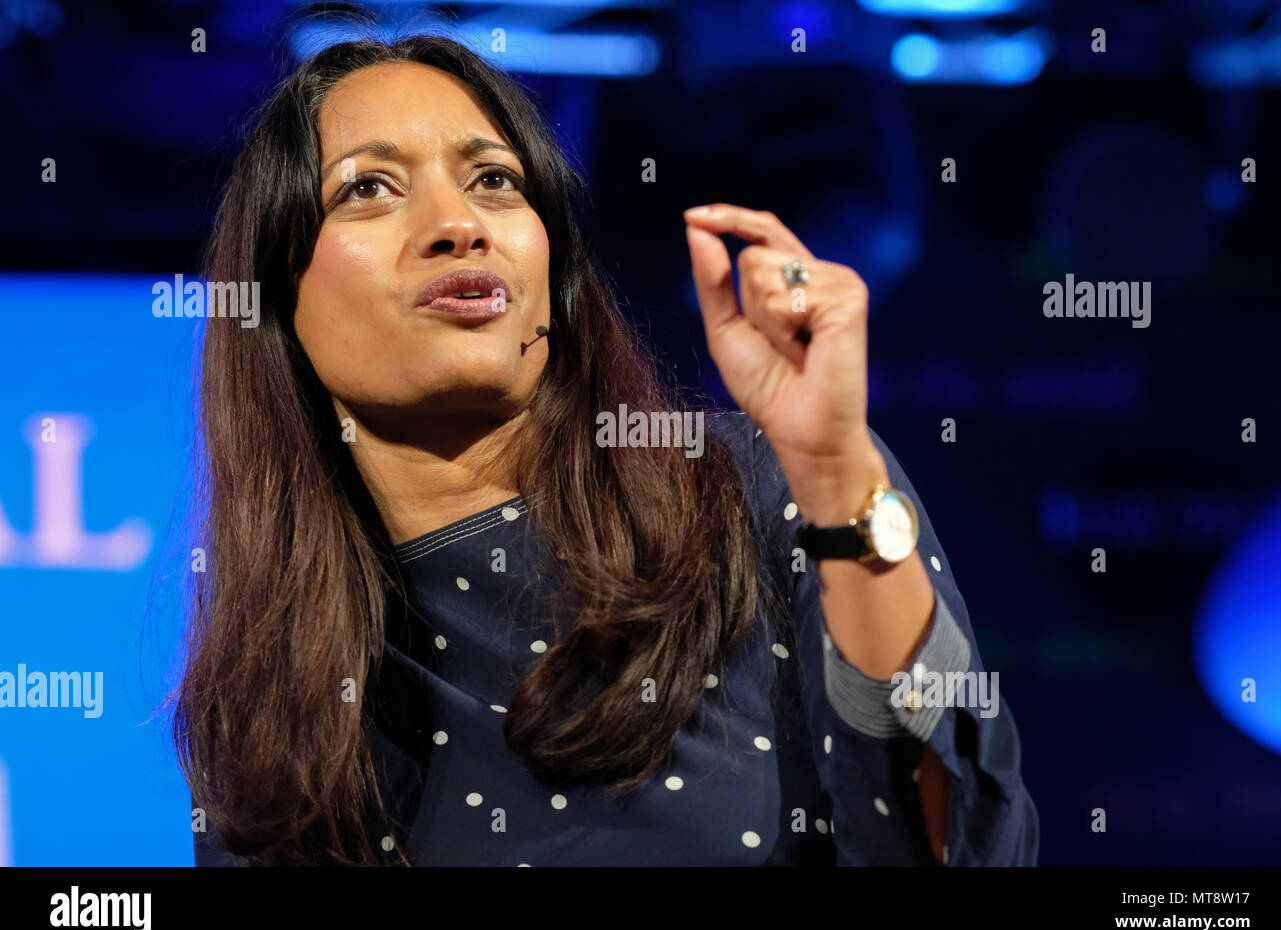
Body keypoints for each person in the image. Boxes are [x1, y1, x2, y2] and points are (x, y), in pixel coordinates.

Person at [173, 33, 1038, 866]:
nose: (458, 223)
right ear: (276, 302)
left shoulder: (757, 493)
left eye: (495, 180)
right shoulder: (272, 693)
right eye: (368, 189)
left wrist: (839, 479)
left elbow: (967, 846)